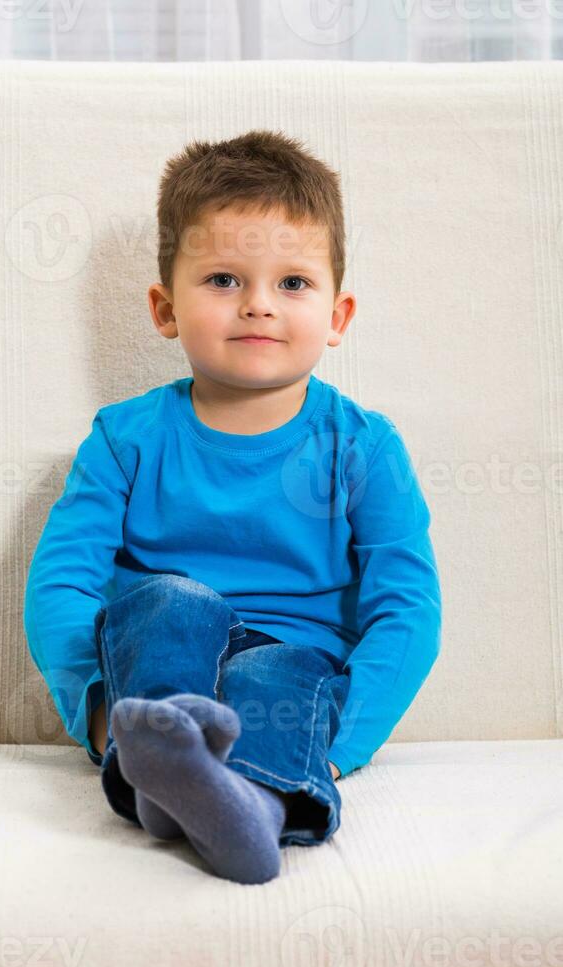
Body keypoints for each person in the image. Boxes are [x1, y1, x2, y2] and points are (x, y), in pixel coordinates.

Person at [23, 129, 442, 885]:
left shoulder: (363, 448)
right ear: (164, 307)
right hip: (163, 670)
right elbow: (62, 582)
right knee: (166, 600)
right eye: (222, 279)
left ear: (338, 315)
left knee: (278, 675)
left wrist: (343, 741)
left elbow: (408, 609)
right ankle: (158, 762)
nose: (257, 305)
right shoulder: (126, 439)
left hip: (295, 666)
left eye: (292, 283)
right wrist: (95, 709)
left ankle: (250, 808)